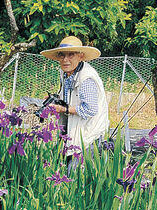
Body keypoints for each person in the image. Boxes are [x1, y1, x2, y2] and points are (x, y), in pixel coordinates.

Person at [41, 36, 109, 165]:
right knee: (61, 167)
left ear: (81, 56)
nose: (65, 60)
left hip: (89, 134)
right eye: (62, 55)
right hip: (72, 129)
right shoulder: (66, 73)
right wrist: (55, 101)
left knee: (75, 173)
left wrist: (63, 109)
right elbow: (70, 97)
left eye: (71, 55)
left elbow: (90, 109)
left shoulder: (86, 78)